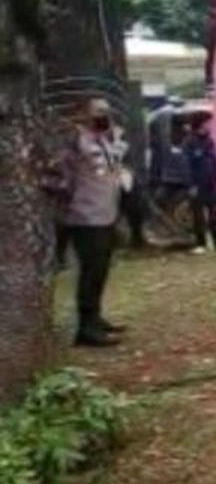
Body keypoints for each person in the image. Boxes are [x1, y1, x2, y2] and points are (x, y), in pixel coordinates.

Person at [62, 97, 128, 347]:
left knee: (100, 270)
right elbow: (64, 173)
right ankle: (85, 328)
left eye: (107, 111)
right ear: (84, 113)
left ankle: (96, 318)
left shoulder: (104, 139)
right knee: (90, 272)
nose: (105, 115)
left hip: (106, 213)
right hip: (84, 216)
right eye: (99, 111)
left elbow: (113, 165)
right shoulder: (76, 140)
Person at [184, 113, 216, 256]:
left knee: (214, 216)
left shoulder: (209, 141)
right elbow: (187, 166)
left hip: (211, 185)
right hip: (197, 185)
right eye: (208, 122)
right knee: (198, 216)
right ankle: (200, 244)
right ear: (201, 123)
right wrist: (191, 185)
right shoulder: (189, 142)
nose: (210, 125)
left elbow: (214, 163)